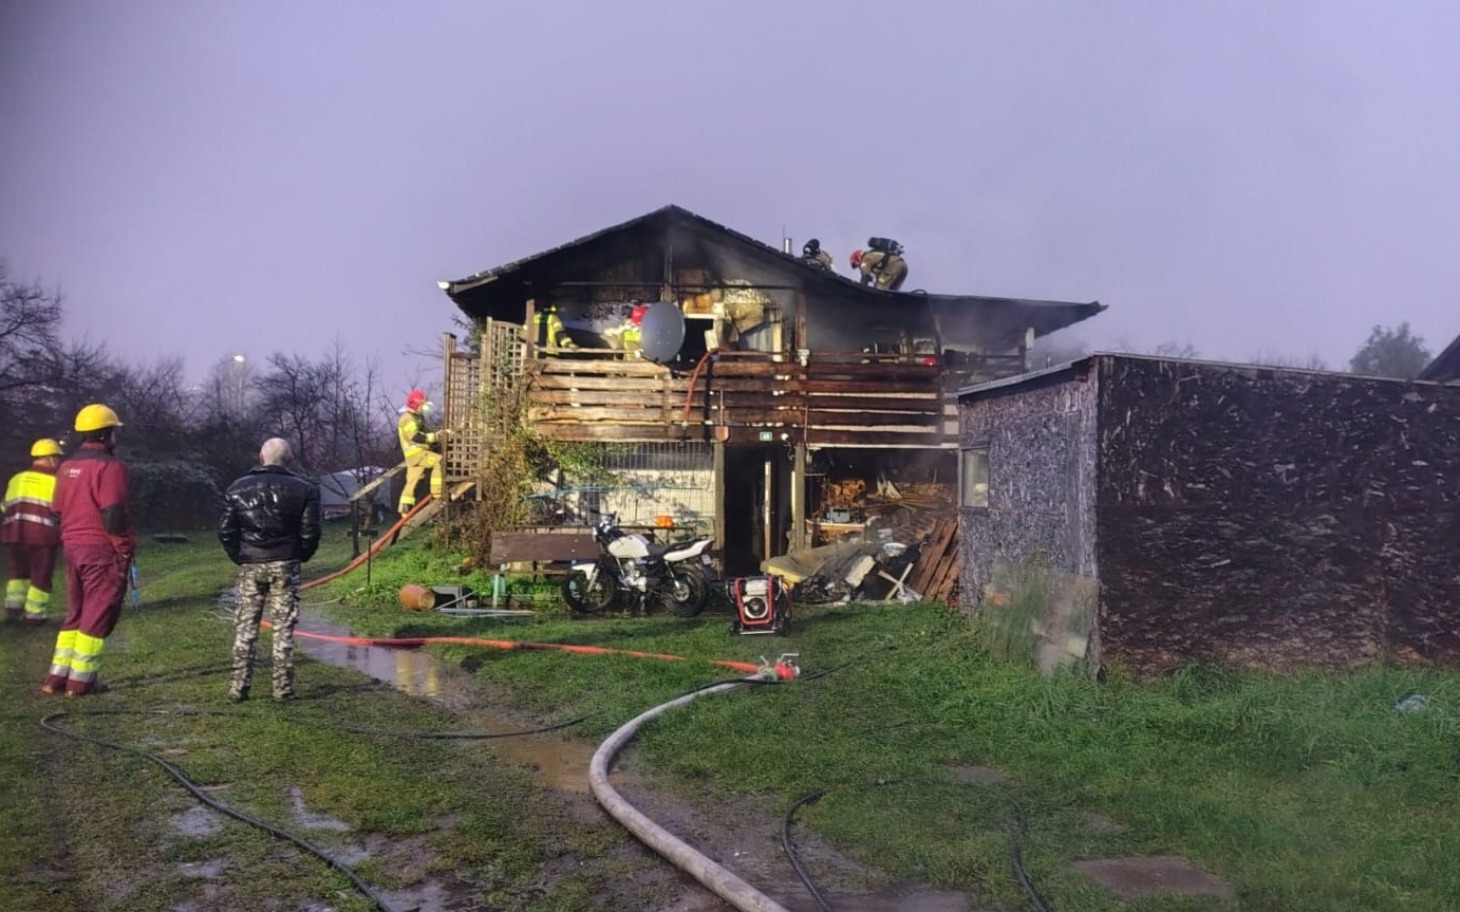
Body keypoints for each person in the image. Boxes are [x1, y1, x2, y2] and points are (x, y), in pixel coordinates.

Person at [218, 437, 321, 703]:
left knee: (246, 625)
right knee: (283, 627)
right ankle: (282, 689)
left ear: (260, 457)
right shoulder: (305, 489)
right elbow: (310, 532)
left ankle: (238, 688)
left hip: (251, 563)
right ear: (289, 459)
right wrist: (300, 556)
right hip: (286, 563)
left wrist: (240, 557)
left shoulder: (237, 488)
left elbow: (225, 531)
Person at [41, 404, 134, 698]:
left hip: (71, 546)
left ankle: (56, 677)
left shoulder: (66, 467)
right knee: (97, 611)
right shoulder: (110, 467)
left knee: (76, 612)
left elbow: (56, 511)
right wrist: (123, 549)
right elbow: (114, 513)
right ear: (107, 434)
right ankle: (81, 682)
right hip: (101, 549)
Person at [2, 438, 64, 626]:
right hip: (42, 536)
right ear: (50, 458)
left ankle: (13, 610)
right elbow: (60, 510)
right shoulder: (55, 481)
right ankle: (34, 616)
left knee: (17, 574)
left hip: (14, 534)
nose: (59, 462)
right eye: (57, 457)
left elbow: (4, 507)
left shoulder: (16, 479)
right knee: (40, 576)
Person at [397, 389, 444, 515]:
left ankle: (404, 510)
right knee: (439, 461)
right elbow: (415, 436)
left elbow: (425, 431)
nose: (423, 408)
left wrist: (437, 433)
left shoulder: (417, 417)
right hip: (416, 453)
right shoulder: (407, 418)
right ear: (415, 404)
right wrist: (435, 437)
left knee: (413, 481)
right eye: (422, 405)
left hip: (416, 455)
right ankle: (437, 493)